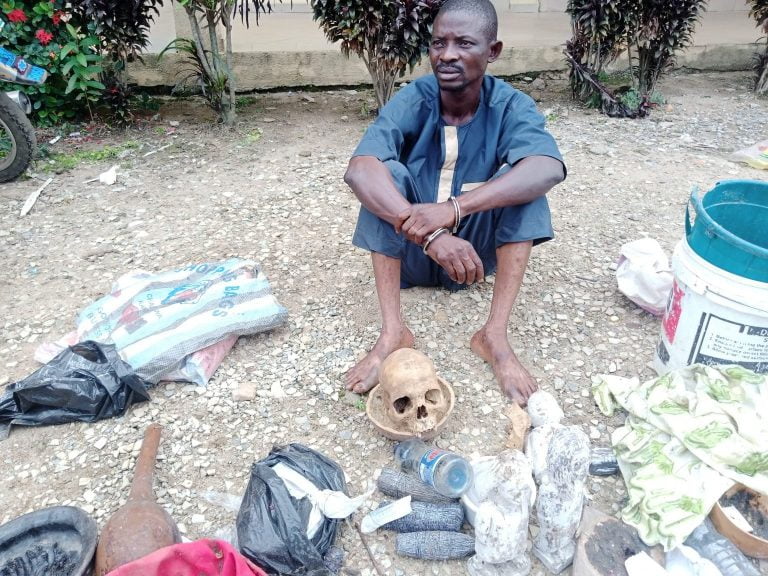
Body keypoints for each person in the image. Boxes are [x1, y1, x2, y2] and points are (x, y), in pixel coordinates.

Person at [343, 0, 566, 405]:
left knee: (523, 184)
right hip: (412, 247)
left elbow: (547, 167)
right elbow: (359, 168)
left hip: (472, 259)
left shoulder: (511, 105)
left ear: (492, 51)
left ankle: (493, 335)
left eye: (464, 43)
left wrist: (455, 210)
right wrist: (432, 237)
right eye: (437, 43)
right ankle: (394, 332)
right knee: (383, 175)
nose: (447, 55)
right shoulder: (416, 97)